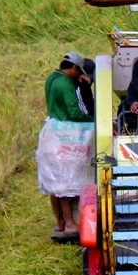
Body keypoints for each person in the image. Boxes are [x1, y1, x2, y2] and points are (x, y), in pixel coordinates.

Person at [37, 52, 94, 241]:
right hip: (65, 136)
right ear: (75, 68)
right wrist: (93, 120)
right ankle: (71, 224)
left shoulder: (51, 79)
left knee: (55, 183)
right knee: (67, 183)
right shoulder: (66, 84)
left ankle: (60, 222)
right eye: (79, 72)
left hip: (51, 131)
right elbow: (74, 111)